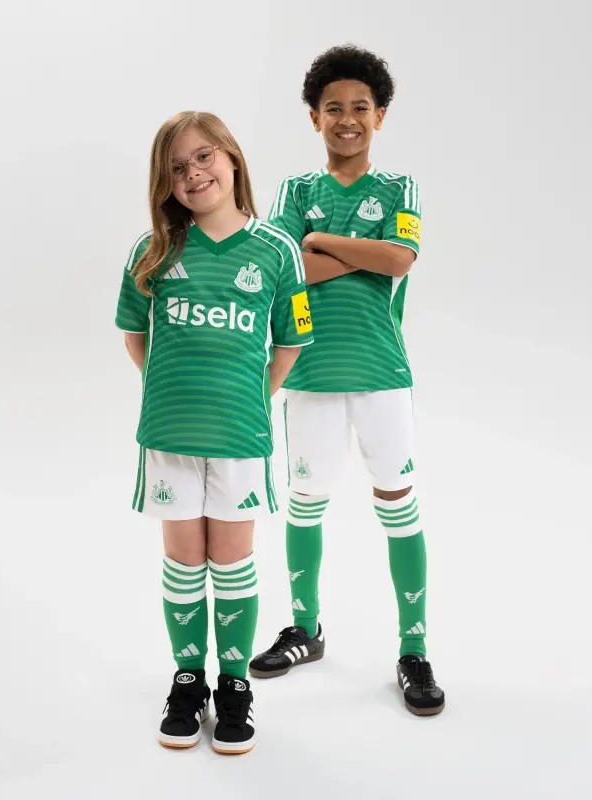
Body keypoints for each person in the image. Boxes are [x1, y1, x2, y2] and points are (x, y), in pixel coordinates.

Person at [248, 45, 445, 716]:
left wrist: (319, 243)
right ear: (315, 118)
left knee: (398, 502)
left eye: (361, 107)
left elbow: (401, 258)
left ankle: (413, 649)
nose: (347, 119)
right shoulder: (297, 191)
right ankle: (306, 629)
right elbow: (285, 269)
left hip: (381, 373)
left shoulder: (398, 189)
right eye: (333, 108)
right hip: (308, 371)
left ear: (379, 116)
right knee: (306, 500)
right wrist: (350, 254)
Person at [115, 111, 314, 754]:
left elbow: (290, 343)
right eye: (177, 166)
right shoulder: (153, 250)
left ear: (232, 158)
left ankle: (233, 684)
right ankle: (188, 680)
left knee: (230, 560)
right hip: (170, 433)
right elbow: (134, 335)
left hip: (240, 435)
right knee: (182, 559)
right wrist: (171, 388)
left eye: (204, 156)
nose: (194, 173)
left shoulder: (276, 249)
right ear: (165, 182)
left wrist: (249, 397)